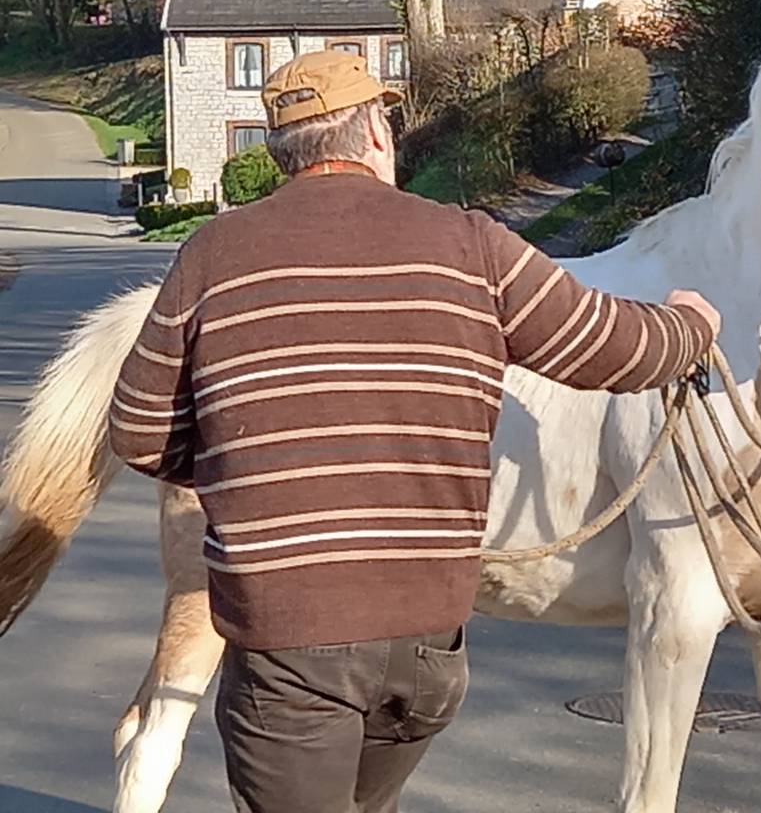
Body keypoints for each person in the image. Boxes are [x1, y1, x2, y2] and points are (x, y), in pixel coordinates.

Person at [108, 49, 720, 813]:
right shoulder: (471, 244)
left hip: (288, 641)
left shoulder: (213, 256)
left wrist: (240, 463)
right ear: (374, 134)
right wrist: (691, 325)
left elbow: (137, 431)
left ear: (279, 154)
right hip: (426, 650)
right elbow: (610, 347)